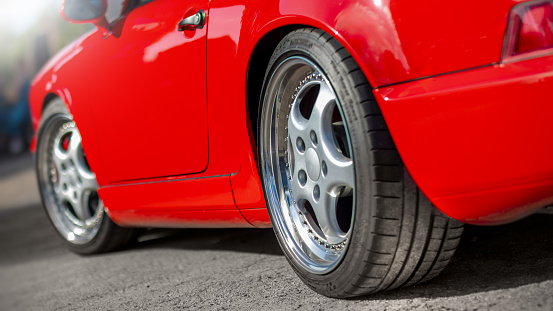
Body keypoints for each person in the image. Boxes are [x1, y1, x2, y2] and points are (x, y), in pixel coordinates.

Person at [0, 60, 31, 154]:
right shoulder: (25, 79)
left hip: (22, 109)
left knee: (9, 118)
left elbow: (14, 97)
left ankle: (14, 140)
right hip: (24, 108)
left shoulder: (21, 81)